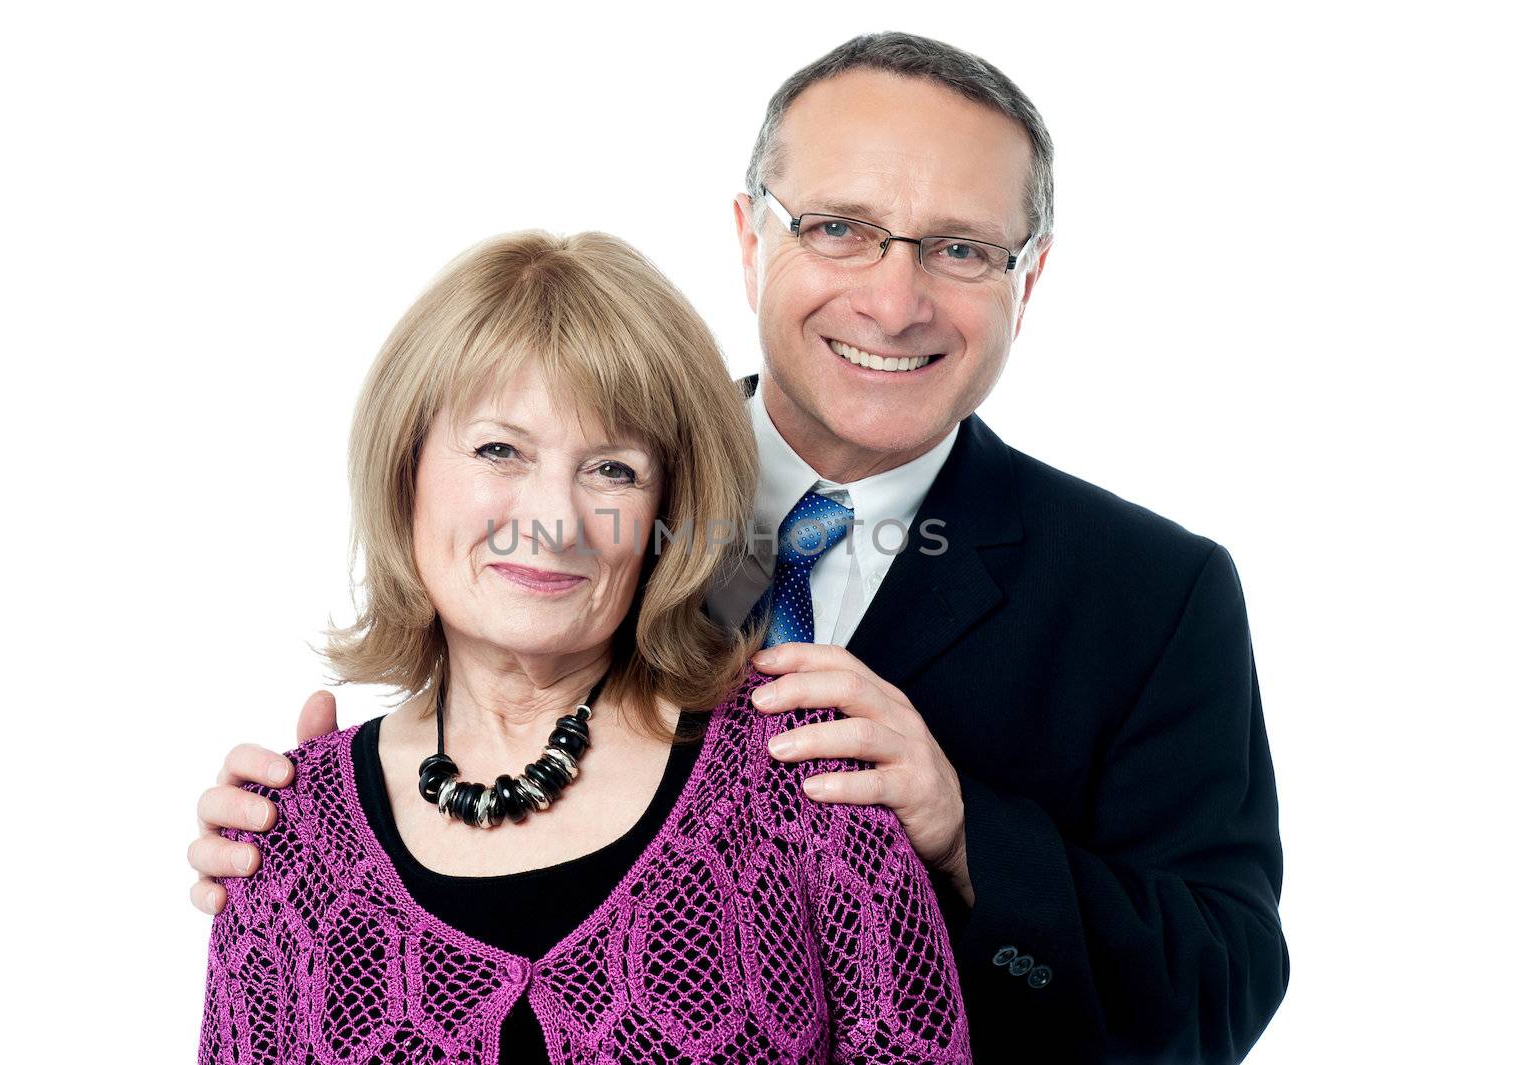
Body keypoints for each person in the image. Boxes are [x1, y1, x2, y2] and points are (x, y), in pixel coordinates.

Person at [192, 32, 1289, 1063]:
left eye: (961, 248)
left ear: (1028, 278)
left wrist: (965, 840)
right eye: (838, 228)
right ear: (748, 235)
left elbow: (1219, 995)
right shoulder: (589, 485)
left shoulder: (1152, 594)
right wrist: (317, 839)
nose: (892, 299)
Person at [196, 229, 972, 1064]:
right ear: (404, 469)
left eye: (613, 471)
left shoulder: (800, 773)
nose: (555, 522)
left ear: (665, 513)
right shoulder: (285, 829)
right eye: (500, 449)